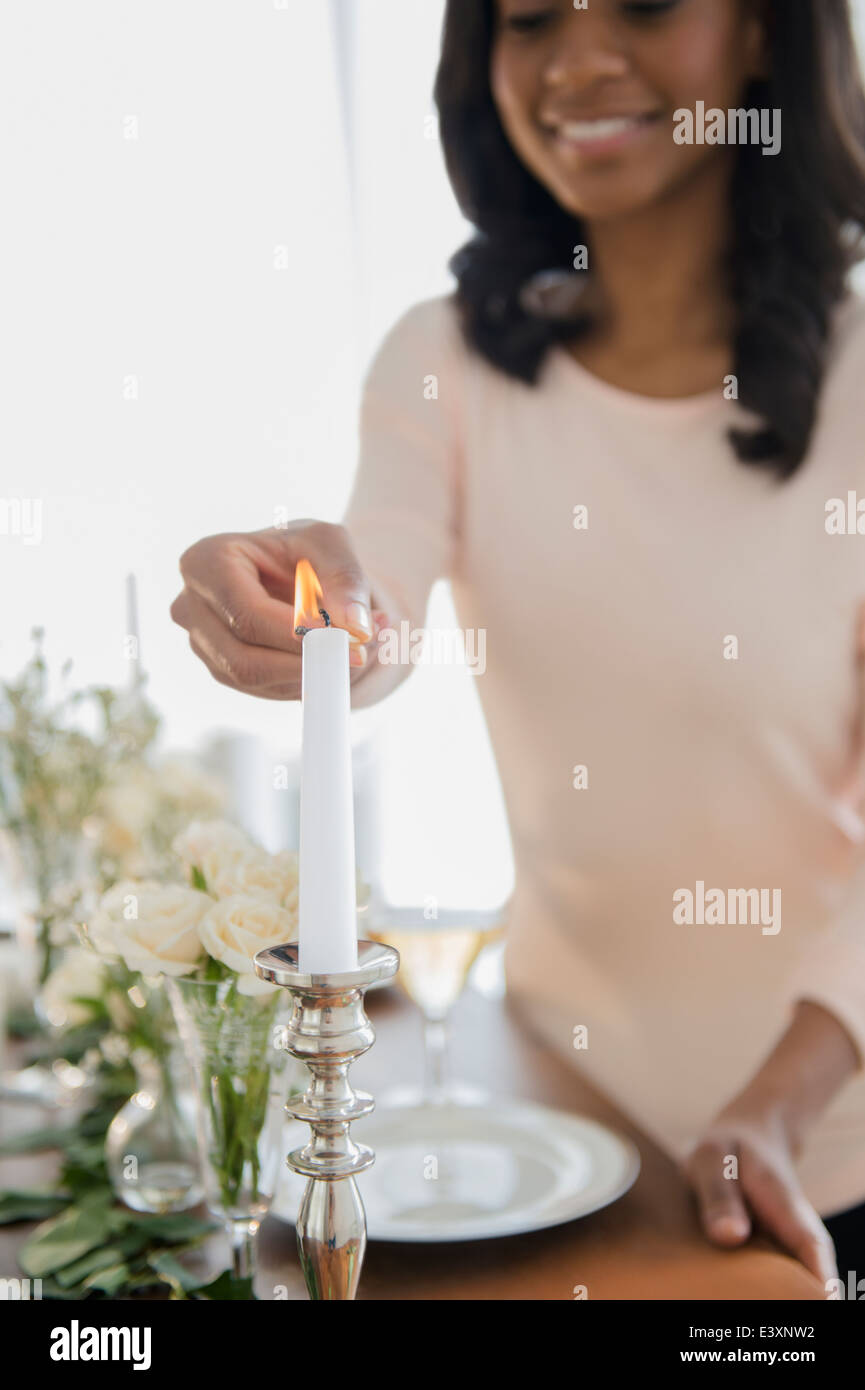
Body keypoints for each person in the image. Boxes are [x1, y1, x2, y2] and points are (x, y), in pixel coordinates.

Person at [171, 0, 865, 1291]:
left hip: (815, 1151)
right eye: (529, 17)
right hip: (562, 1129)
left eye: (645, 5)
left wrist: (770, 1104)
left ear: (768, 33)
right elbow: (376, 618)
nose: (580, 61)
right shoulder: (443, 362)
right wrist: (302, 601)